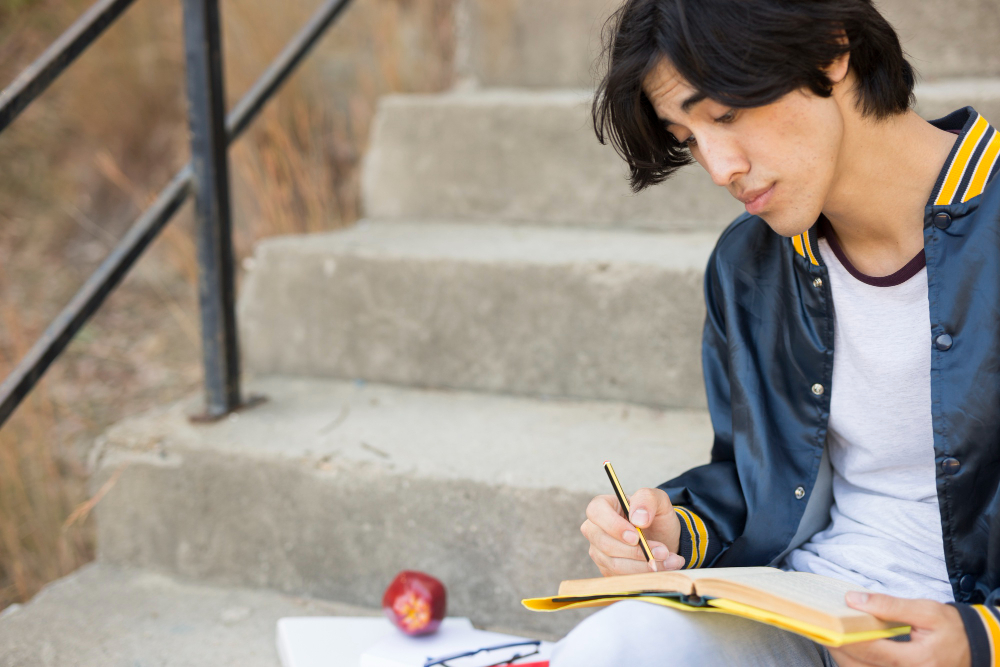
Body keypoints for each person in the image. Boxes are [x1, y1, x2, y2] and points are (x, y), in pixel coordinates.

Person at [550, 0, 1000, 665]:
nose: (719, 167)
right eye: (688, 138)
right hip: (813, 607)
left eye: (725, 115)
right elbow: (756, 475)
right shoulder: (748, 265)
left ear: (832, 48)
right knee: (609, 649)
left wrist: (981, 639)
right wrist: (673, 526)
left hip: (964, 633)